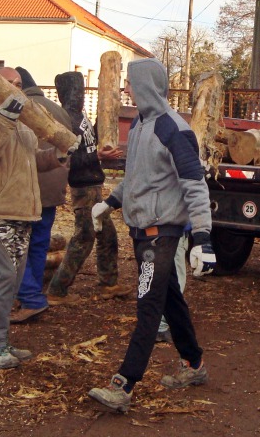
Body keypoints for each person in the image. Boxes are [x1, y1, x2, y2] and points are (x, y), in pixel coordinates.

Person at [87, 58, 216, 412]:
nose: (125, 88)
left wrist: (203, 238)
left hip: (162, 234)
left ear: (144, 86)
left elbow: (194, 184)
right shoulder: (143, 125)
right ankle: (194, 365)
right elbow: (138, 177)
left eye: (129, 82)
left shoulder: (174, 129)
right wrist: (110, 202)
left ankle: (124, 384)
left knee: (148, 305)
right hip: (142, 230)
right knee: (170, 300)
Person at [0, 66, 73, 369]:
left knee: (12, 280)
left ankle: (1, 340)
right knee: (1, 279)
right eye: (8, 82)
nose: (15, 88)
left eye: (19, 83)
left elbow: (29, 160)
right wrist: (5, 119)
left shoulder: (20, 119)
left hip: (23, 210)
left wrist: (57, 155)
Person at [46, 70, 133, 306]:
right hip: (82, 188)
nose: (80, 96)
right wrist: (98, 156)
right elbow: (70, 159)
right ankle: (57, 289)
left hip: (93, 185)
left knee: (108, 236)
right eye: (76, 91)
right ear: (66, 93)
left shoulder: (80, 116)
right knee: (84, 237)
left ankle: (109, 283)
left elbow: (90, 142)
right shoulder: (65, 120)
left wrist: (102, 124)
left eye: (82, 90)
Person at [9, 66, 71, 323]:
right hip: (54, 184)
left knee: (18, 243)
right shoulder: (56, 108)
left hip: (30, 185)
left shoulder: (19, 107)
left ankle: (30, 297)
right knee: (39, 243)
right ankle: (31, 295)